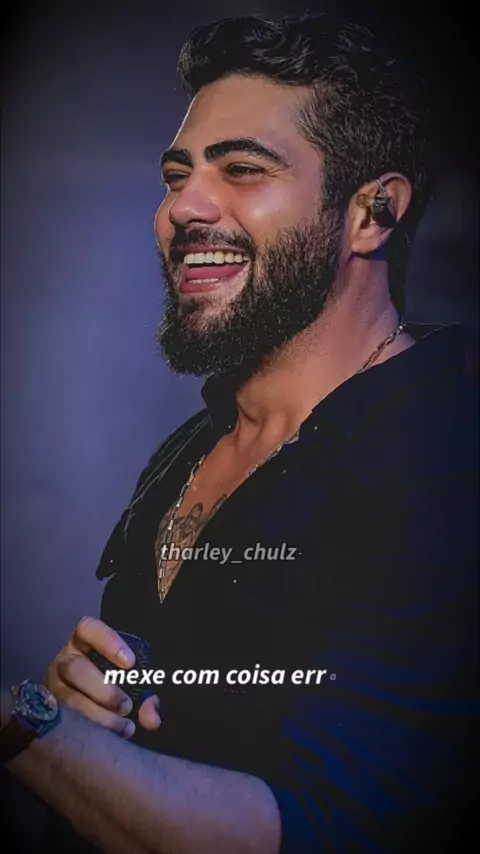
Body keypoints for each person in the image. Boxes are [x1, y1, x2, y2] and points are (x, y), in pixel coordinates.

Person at [1, 14, 478, 854]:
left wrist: (23, 729)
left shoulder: (445, 470)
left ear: (373, 214)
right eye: (176, 174)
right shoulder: (189, 450)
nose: (181, 207)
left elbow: (316, 832)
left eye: (244, 169)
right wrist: (82, 713)